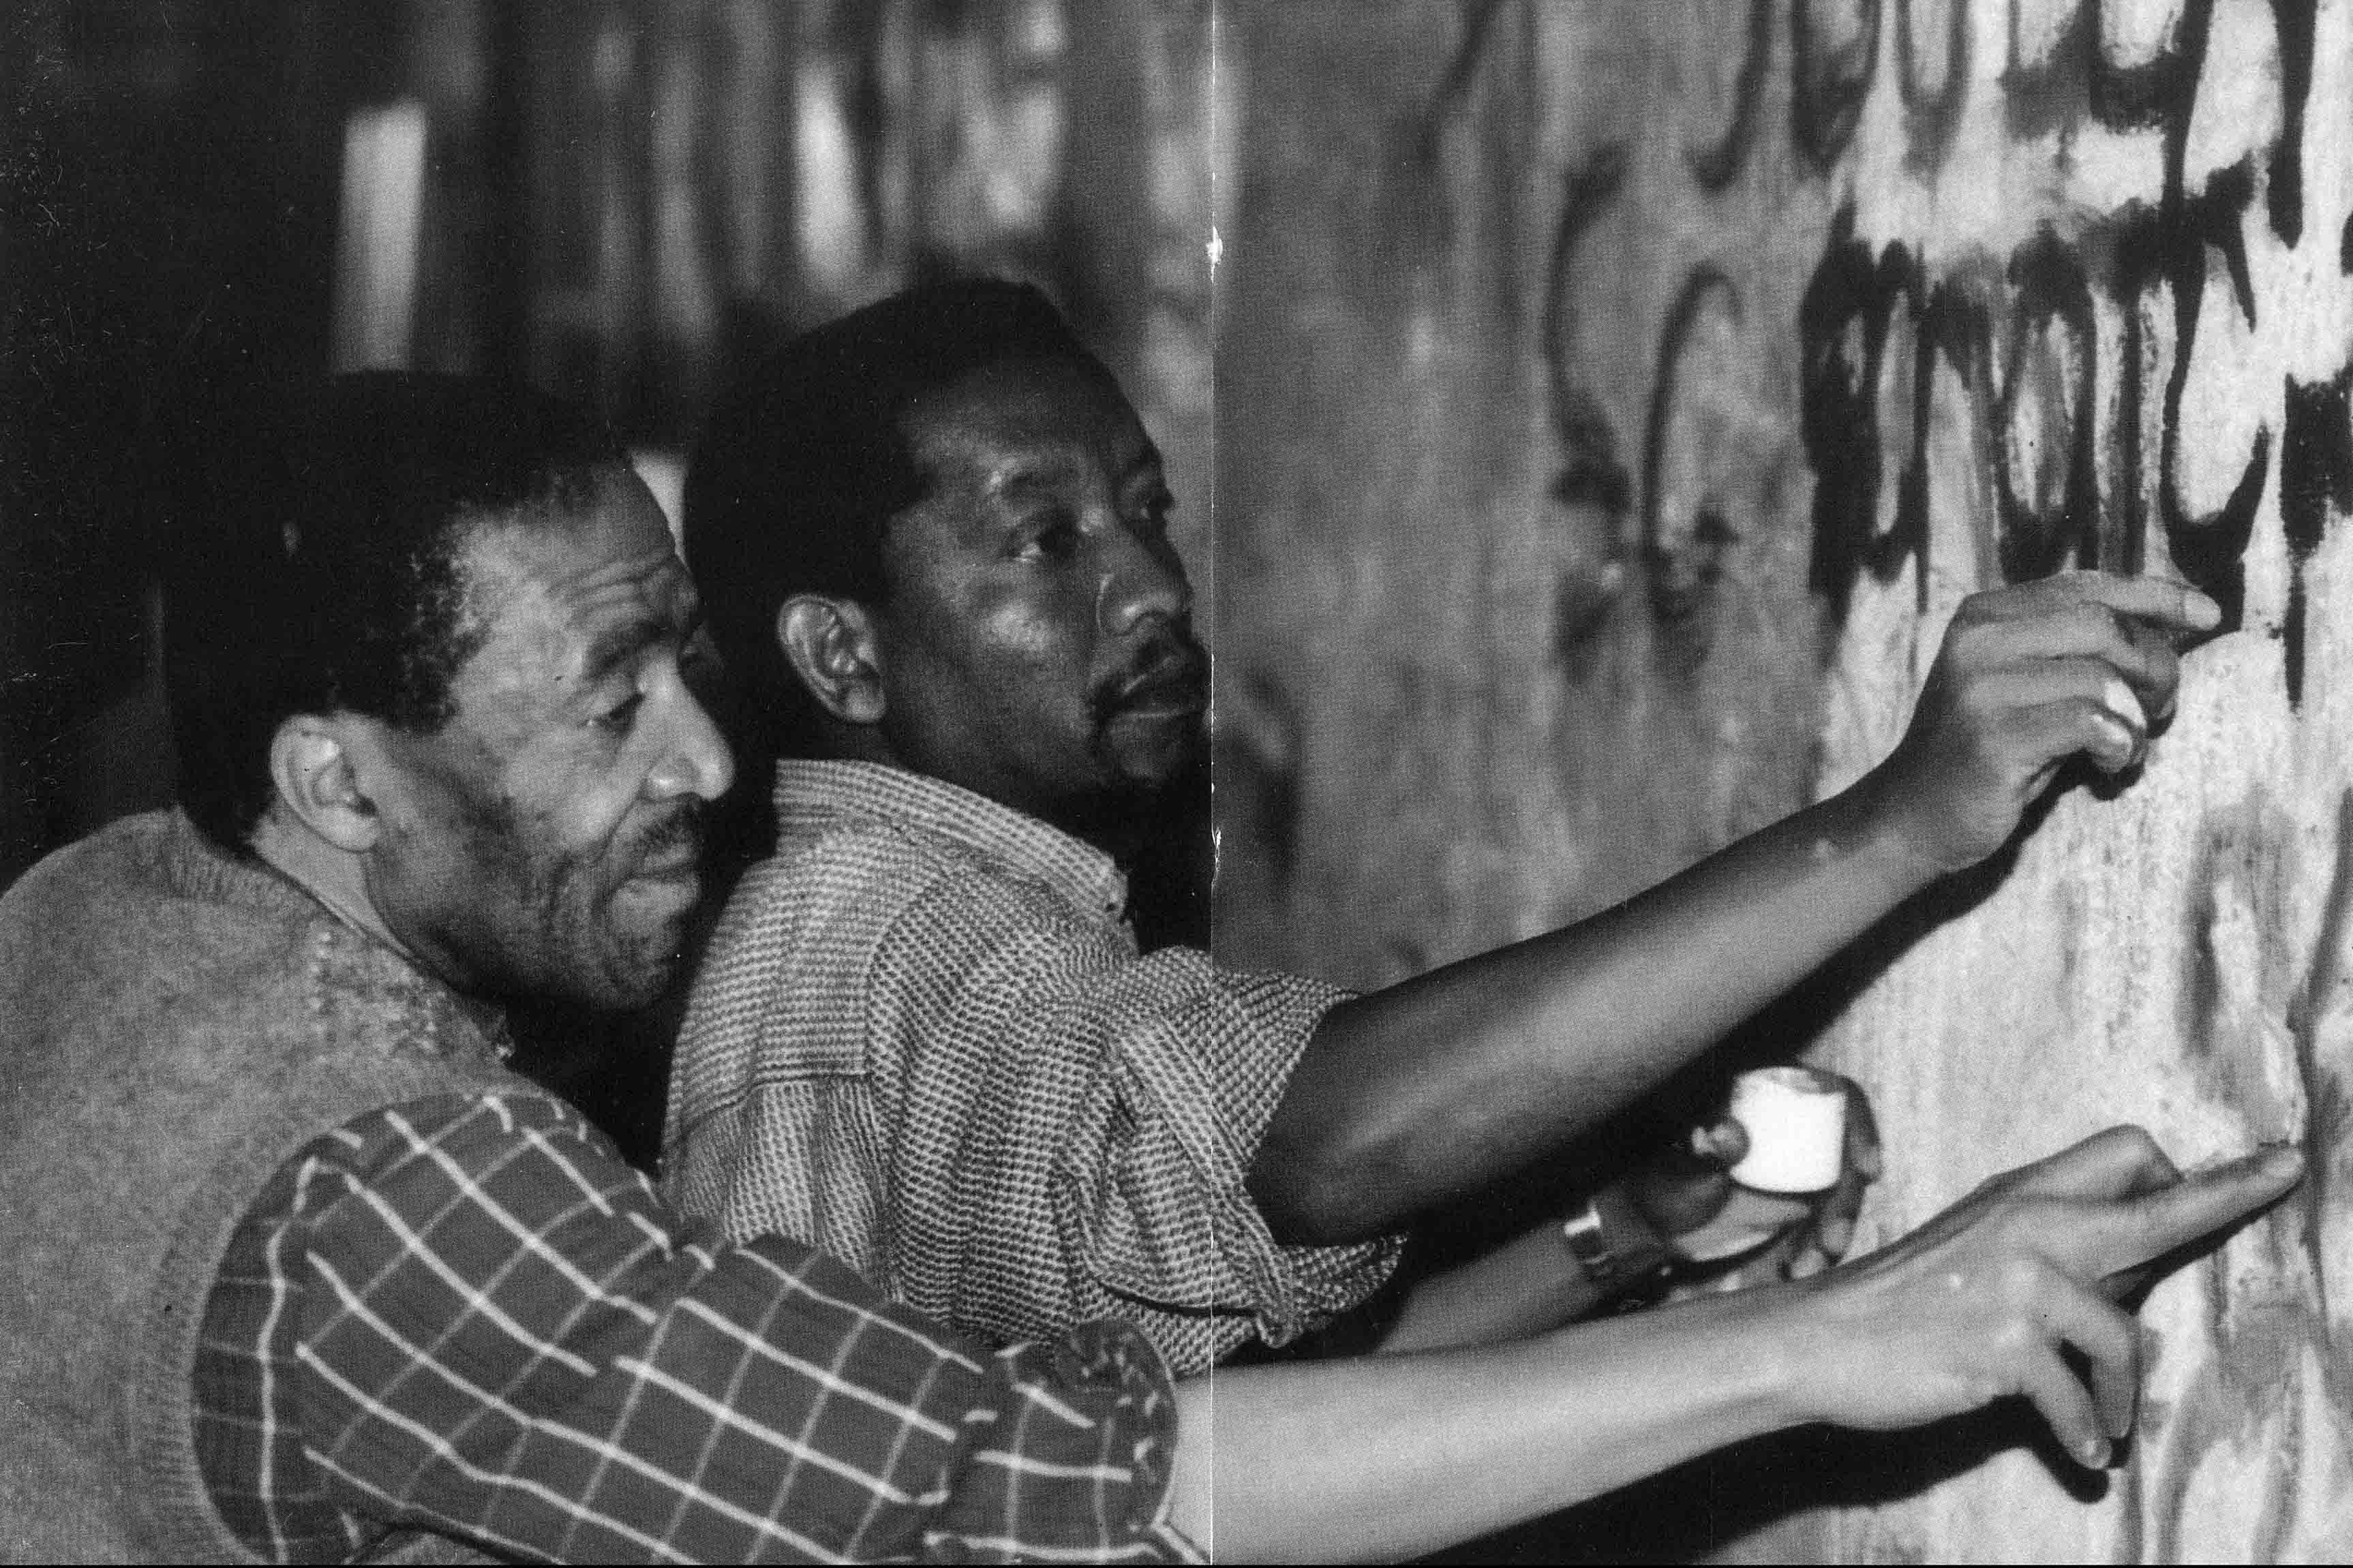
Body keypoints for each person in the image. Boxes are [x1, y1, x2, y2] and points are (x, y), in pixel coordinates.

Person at [0, 369, 2294, 1566]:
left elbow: (1050, 1416)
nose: (709, 754)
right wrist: (1840, 1336)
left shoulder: (114, 910)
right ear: (341, 775)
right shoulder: (409, 1183)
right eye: (611, 698)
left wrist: (1619, 1241)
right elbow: (1063, 1469)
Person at [665, 279, 2221, 1372]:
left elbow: (1197, 1427)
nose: (1145, 585)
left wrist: (1633, 1230)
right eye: (1043, 537)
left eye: (1146, 509)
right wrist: (1897, 823)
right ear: (845, 653)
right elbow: (1318, 1145)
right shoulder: (881, 940)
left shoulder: (907, 926)